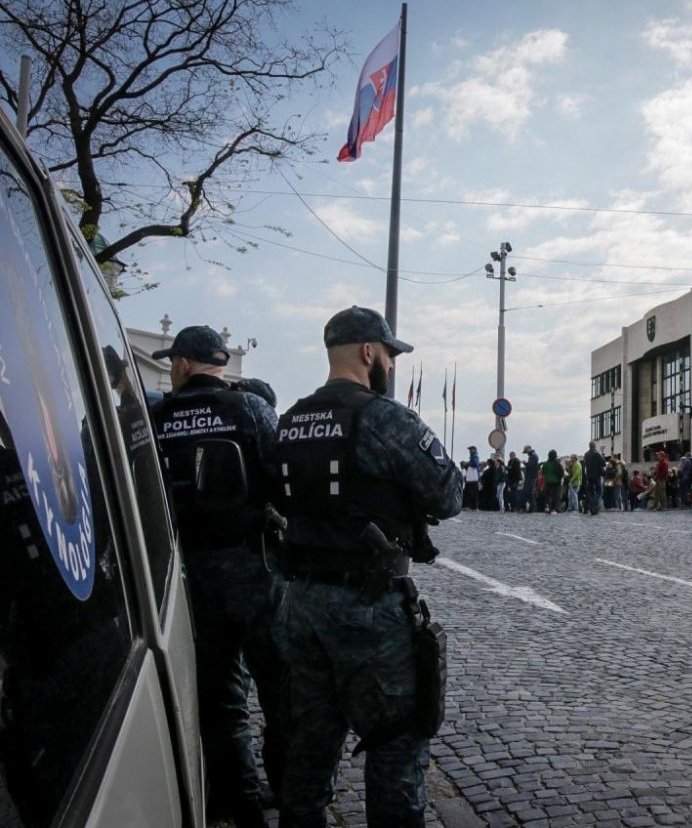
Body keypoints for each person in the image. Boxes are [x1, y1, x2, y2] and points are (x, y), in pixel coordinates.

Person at [271, 306, 462, 828]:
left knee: (308, 742)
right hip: (368, 605)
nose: (391, 366)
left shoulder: (290, 421)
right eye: (389, 356)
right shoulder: (382, 417)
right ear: (368, 351)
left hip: (300, 603)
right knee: (396, 740)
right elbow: (448, 494)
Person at [150, 325, 284, 828]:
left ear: (183, 364)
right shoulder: (250, 409)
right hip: (257, 567)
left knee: (221, 695)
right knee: (280, 686)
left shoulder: (158, 415)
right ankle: (290, 790)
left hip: (190, 575)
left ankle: (239, 801)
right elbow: (283, 476)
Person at [583, 442, 606, 514]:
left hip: (589, 476)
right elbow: (603, 463)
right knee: (599, 491)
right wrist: (602, 457)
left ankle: (589, 505)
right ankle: (593, 503)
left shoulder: (586, 454)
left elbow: (585, 464)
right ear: (594, 446)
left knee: (590, 491)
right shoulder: (596, 454)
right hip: (596, 475)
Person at [541, 449, 565, 514]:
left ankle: (547, 507)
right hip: (556, 482)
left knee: (548, 496)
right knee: (556, 496)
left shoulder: (545, 464)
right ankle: (555, 508)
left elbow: (543, 473)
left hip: (548, 482)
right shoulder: (557, 464)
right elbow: (562, 473)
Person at [523, 445, 540, 512]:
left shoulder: (533, 456)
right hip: (531, 476)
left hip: (531, 476)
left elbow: (531, 465)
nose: (526, 453)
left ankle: (532, 507)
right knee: (529, 492)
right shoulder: (533, 455)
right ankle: (531, 507)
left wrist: (525, 463)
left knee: (529, 492)